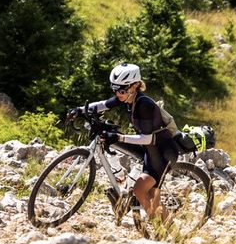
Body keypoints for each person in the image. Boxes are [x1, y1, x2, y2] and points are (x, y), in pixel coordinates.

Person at [69, 63, 179, 233]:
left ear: (135, 85)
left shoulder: (144, 105)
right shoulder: (127, 97)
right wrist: (80, 110)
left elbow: (148, 137)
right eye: (115, 89)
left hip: (163, 151)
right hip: (150, 149)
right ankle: (122, 182)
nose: (117, 93)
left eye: (121, 90)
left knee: (142, 191)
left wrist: (119, 137)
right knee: (111, 139)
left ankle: (171, 233)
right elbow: (104, 104)